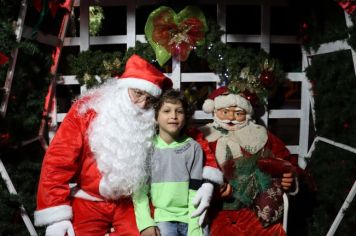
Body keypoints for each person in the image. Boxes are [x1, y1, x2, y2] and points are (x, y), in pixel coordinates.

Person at [34, 54, 174, 235]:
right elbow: (58, 160)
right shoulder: (88, 109)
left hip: (131, 203)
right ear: (123, 87)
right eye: (138, 94)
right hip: (88, 200)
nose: (142, 104)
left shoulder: (152, 118)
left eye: (149, 99)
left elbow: (188, 138)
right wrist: (56, 214)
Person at [199, 86, 299, 236]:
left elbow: (287, 161)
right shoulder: (202, 136)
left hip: (254, 210)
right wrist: (211, 192)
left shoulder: (260, 135)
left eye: (238, 113)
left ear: (246, 114)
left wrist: (289, 179)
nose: (231, 118)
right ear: (214, 110)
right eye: (225, 112)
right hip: (215, 211)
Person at [133, 89, 218, 236]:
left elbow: (195, 191)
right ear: (155, 116)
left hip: (191, 218)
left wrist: (195, 228)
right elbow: (139, 192)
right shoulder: (147, 148)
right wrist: (145, 224)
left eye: (179, 111)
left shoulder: (193, 148)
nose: (173, 116)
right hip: (164, 220)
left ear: (186, 116)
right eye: (166, 111)